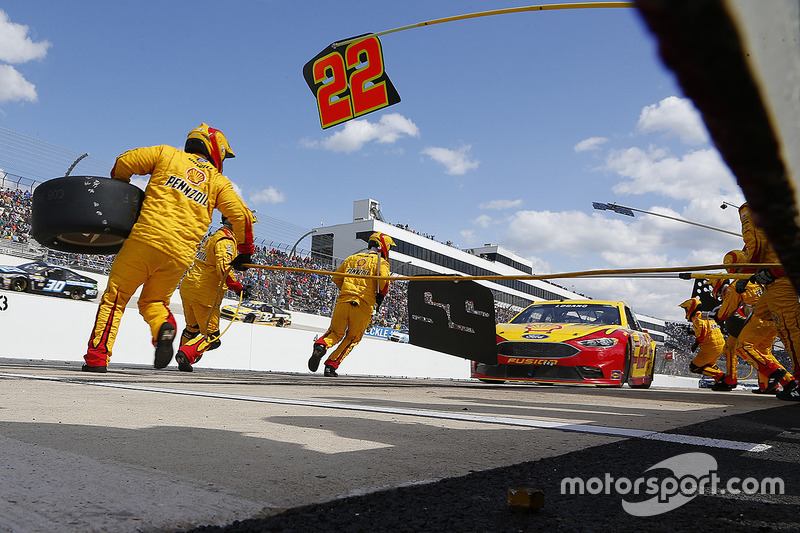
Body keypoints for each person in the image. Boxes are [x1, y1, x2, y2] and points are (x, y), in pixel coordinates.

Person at [82, 123, 255, 372]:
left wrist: (118, 187)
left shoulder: (166, 154)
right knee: (153, 301)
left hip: (145, 240)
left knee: (115, 299)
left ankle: (97, 358)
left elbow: (124, 161)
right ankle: (163, 326)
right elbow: (242, 216)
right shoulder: (218, 182)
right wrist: (246, 250)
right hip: (180, 256)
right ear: (216, 149)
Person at [735, 203, 800, 400]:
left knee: (791, 331)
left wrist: (747, 275)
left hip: (780, 280)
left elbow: (756, 246)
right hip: (775, 279)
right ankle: (788, 380)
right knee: (786, 331)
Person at [308, 232, 395, 377]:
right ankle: (331, 366)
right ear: (383, 246)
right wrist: (379, 296)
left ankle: (321, 345)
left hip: (343, 301)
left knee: (335, 333)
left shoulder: (352, 258)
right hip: (363, 305)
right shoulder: (382, 262)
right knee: (352, 338)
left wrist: (348, 290)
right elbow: (383, 281)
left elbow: (337, 278)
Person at [175, 215, 251, 372]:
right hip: (205, 293)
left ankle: (184, 358)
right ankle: (185, 354)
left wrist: (236, 265)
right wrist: (238, 288)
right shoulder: (226, 240)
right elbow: (223, 268)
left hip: (189, 287)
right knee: (213, 338)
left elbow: (215, 262)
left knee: (192, 328)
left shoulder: (213, 236)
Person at [719, 249, 795, 394]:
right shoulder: (756, 278)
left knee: (741, 347)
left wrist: (714, 314)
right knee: (763, 352)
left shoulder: (736, 285)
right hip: (774, 318)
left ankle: (774, 373)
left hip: (759, 318)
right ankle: (779, 383)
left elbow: (724, 314)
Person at [679, 297, 726, 386]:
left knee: (694, 367)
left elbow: (703, 329)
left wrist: (696, 343)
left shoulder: (697, 318)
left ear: (691, 308)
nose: (686, 312)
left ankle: (720, 376)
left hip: (711, 346)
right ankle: (722, 382)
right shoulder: (705, 315)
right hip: (720, 345)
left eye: (686, 309)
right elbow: (707, 330)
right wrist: (693, 332)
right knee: (708, 366)